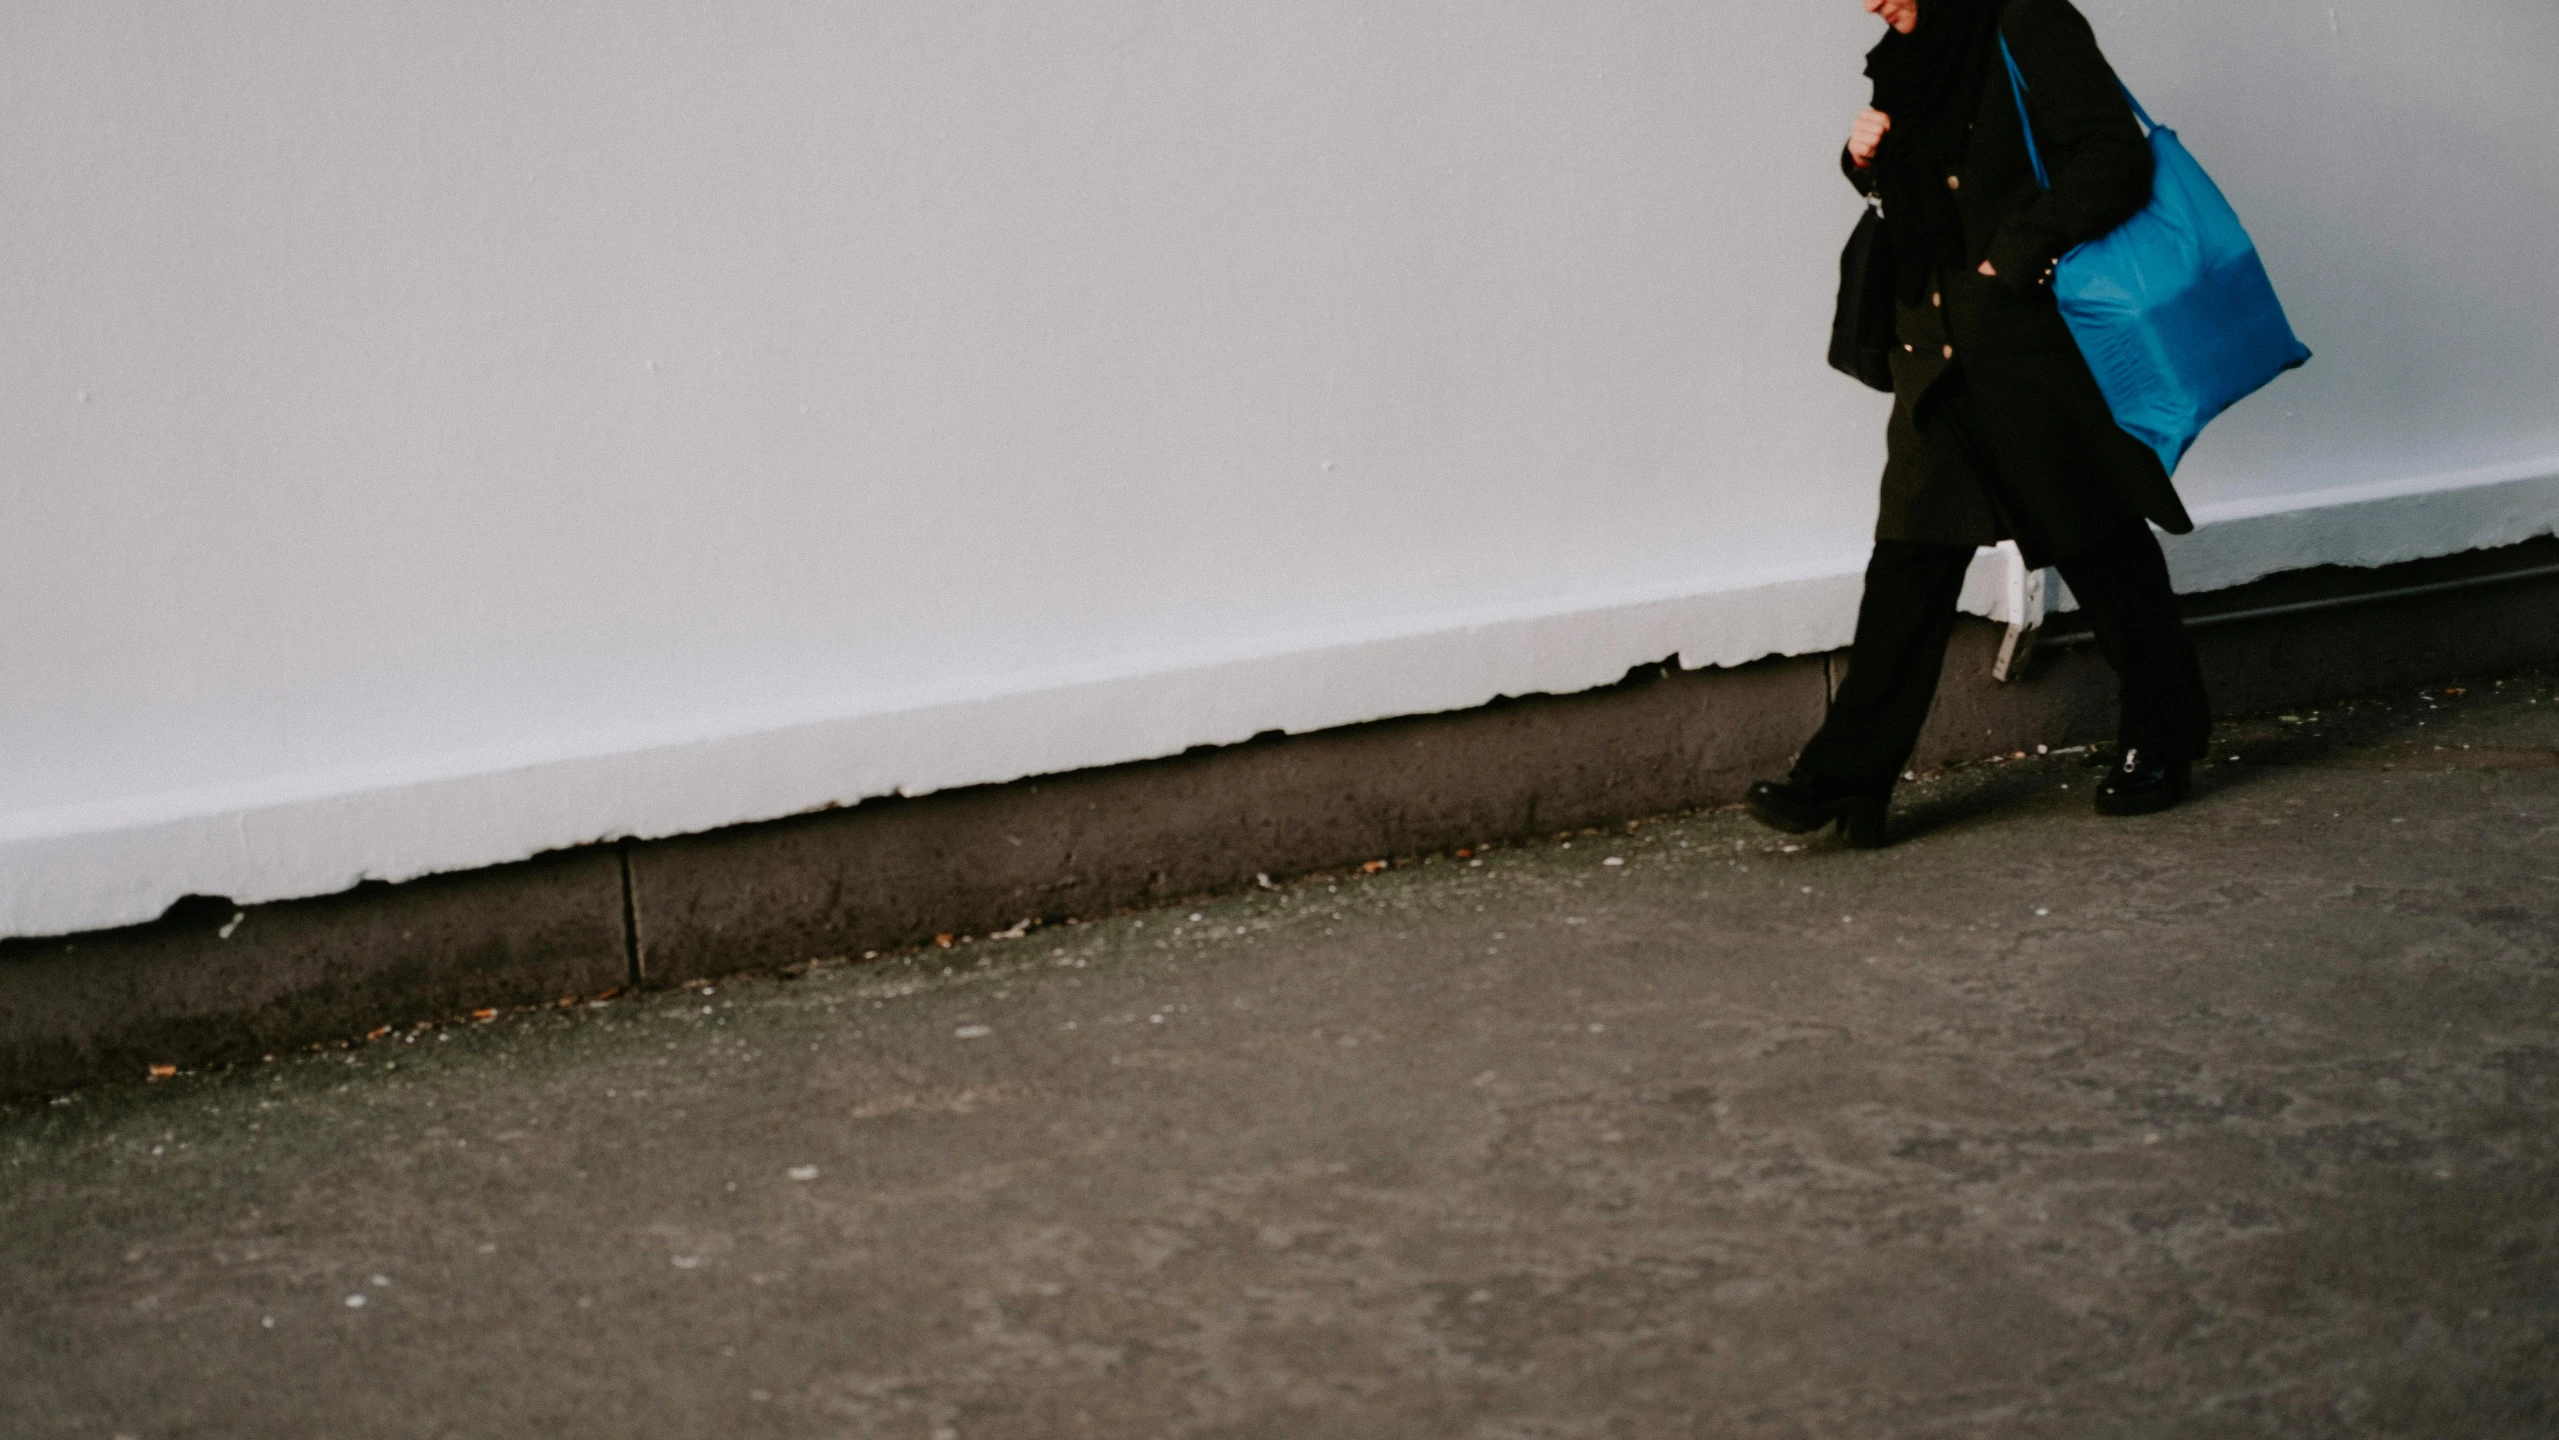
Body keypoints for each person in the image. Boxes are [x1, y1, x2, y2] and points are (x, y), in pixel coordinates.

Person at [1748, 0, 2212, 849]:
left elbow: (2112, 154)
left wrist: (2018, 254)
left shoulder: (2025, 21)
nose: (1869, 1)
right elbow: (1918, 194)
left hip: (2023, 344)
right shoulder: (1901, 57)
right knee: (1908, 560)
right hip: (1933, 343)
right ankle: (1846, 779)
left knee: (2097, 542)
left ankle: (2166, 731)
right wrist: (1860, 160)